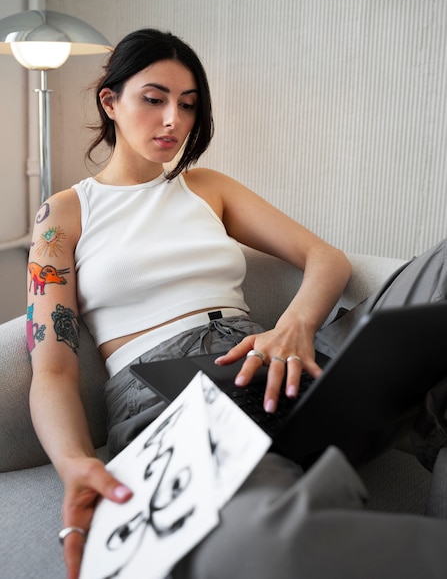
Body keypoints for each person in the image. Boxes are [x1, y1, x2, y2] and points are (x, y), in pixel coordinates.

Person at [27, 28, 447, 579]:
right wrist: (76, 462)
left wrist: (294, 325)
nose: (174, 120)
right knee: (256, 547)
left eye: (188, 104)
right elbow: (52, 368)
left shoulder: (206, 186)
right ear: (111, 100)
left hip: (276, 360)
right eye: (154, 99)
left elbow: (325, 257)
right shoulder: (62, 215)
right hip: (165, 396)